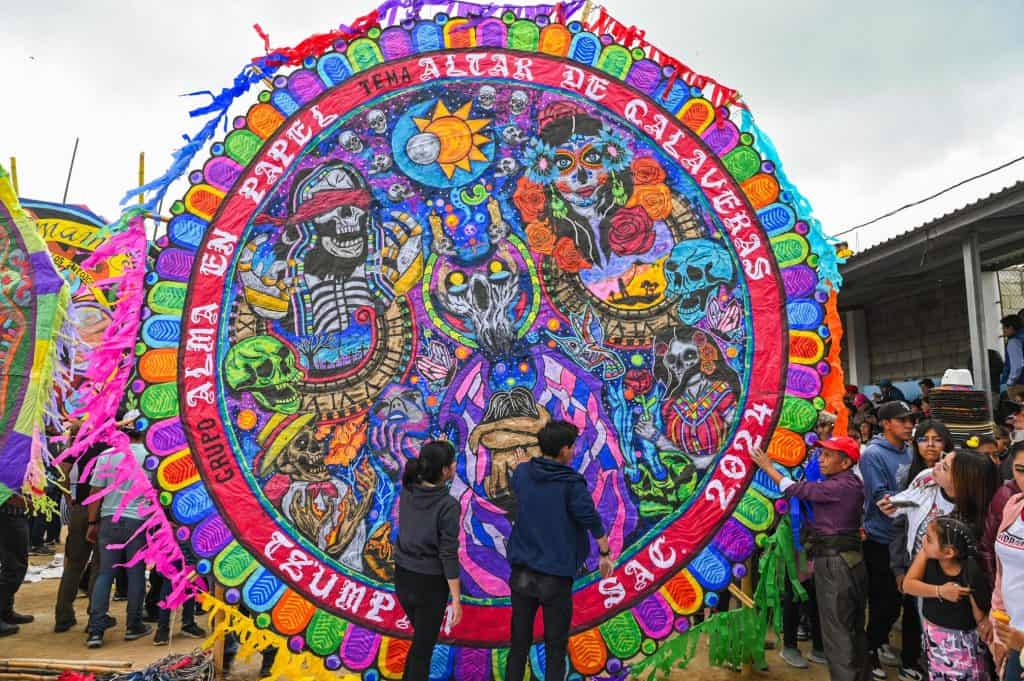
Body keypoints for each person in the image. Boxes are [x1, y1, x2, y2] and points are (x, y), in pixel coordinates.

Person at [751, 436, 870, 681]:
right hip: (849, 560)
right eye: (820, 454)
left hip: (835, 564)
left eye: (828, 455)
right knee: (853, 629)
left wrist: (768, 468)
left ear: (846, 462)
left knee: (837, 633)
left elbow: (797, 489)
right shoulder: (850, 482)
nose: (821, 460)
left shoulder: (838, 487)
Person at [505, 420, 614, 681]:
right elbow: (590, 519)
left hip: (522, 574)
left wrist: (525, 465)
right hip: (555, 577)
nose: (575, 451)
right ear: (564, 449)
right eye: (572, 446)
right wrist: (604, 552)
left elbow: (524, 479)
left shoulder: (522, 474)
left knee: (518, 644)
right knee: (555, 648)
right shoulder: (570, 483)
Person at [880, 419, 955, 681]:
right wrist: (900, 568)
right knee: (914, 613)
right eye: (924, 439)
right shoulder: (916, 478)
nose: (931, 445)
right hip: (915, 563)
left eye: (937, 439)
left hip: (947, 566)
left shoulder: (961, 478)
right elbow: (899, 527)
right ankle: (911, 660)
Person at [393, 440, 462, 681]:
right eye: (452, 463)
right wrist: (456, 598)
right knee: (423, 649)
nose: (454, 466)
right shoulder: (448, 505)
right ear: (445, 470)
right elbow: (448, 553)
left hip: (402, 578)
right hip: (429, 585)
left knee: (420, 644)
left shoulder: (408, 490)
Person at [85, 421, 151, 648]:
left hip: (108, 520)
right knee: (135, 574)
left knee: (105, 574)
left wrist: (92, 523)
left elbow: (95, 491)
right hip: (138, 523)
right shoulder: (150, 457)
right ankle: (134, 625)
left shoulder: (107, 455)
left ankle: (95, 630)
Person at [861, 400, 916, 676]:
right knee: (885, 601)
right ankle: (869, 651)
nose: (909, 425)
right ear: (885, 424)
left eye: (910, 420)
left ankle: (878, 640)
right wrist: (916, 512)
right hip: (881, 539)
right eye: (902, 420)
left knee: (901, 602)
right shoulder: (872, 455)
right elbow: (882, 499)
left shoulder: (910, 450)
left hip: (907, 540)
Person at [902, 516, 992, 680]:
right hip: (934, 635)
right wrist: (940, 591)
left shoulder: (969, 571)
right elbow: (907, 585)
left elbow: (979, 616)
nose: (923, 540)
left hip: (962, 643)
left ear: (949, 552)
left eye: (929, 539)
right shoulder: (926, 555)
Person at [54, 440, 107, 633]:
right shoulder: (111, 446)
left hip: (79, 508)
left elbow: (61, 476)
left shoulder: (77, 448)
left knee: (74, 565)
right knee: (98, 567)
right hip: (101, 512)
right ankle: (95, 615)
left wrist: (70, 500)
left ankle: (63, 616)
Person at [989, 442, 1024, 681]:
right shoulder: (1014, 504)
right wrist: (998, 632)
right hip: (1011, 634)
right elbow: (1003, 575)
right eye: (1021, 469)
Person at [0, 491, 32, 637]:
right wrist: (29, 503)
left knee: (12, 566)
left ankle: (6, 611)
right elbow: (4, 490)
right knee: (14, 568)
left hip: (14, 515)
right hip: (8, 515)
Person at [1001, 315, 1024, 402]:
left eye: (1004, 328)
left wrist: (1009, 383)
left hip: (1018, 384)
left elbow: (1018, 366)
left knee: (1017, 413)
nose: (1003, 331)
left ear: (1010, 327)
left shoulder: (1014, 341)